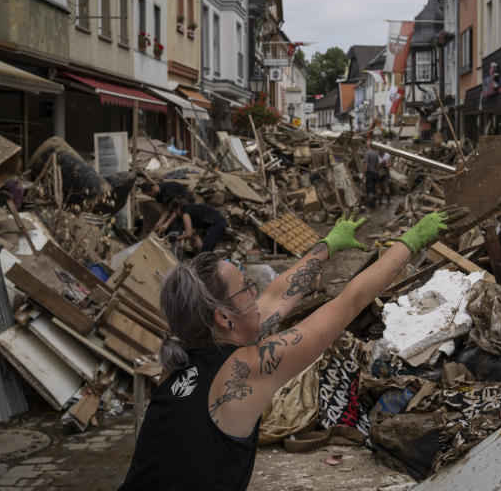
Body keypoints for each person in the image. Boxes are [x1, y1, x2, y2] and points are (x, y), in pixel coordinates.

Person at [119, 207, 466, 490]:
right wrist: (411, 241)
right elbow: (350, 301)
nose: (257, 294)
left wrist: (326, 246)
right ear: (223, 318)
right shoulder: (247, 368)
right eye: (247, 290)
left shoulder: (179, 358)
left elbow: (273, 299)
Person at [156, 197, 228, 253]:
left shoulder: (185, 214)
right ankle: (197, 255)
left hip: (216, 224)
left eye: (175, 211)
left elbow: (188, 233)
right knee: (199, 243)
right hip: (218, 222)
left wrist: (175, 238)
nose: (176, 214)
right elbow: (196, 231)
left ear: (178, 208)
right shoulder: (192, 210)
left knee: (205, 250)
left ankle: (201, 267)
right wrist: (192, 236)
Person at [362, 140, 381, 208]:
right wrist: (376, 170)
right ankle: (375, 203)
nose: (365, 146)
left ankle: (372, 204)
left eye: (366, 144)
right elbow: (378, 165)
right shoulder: (376, 153)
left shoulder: (367, 153)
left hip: (369, 173)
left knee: (369, 189)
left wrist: (364, 174)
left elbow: (366, 164)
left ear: (368, 145)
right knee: (373, 189)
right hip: (375, 173)